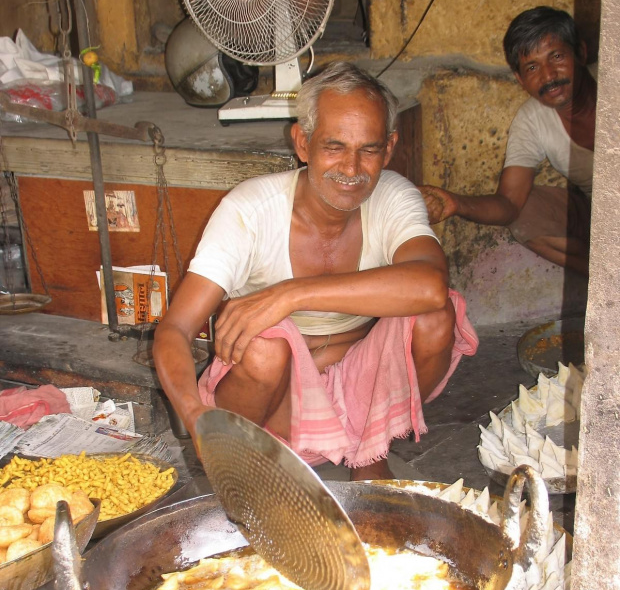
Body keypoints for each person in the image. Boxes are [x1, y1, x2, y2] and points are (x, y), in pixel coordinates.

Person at [153, 61, 478, 481]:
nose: (351, 168)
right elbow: (174, 330)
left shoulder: (394, 195)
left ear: (390, 148)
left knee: (436, 315)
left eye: (369, 149)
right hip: (276, 399)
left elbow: (431, 284)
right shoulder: (250, 209)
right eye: (334, 146)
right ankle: (245, 468)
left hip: (361, 384)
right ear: (303, 144)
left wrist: (292, 293)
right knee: (265, 348)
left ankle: (371, 449)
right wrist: (195, 415)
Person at [420, 7, 596, 276]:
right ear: (520, 79)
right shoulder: (532, 120)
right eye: (532, 67)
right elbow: (510, 204)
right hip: (603, 215)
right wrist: (456, 203)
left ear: (581, 53)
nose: (549, 76)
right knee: (526, 215)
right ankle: (605, 277)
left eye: (557, 56)